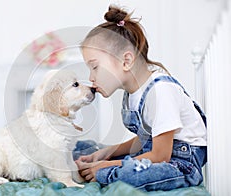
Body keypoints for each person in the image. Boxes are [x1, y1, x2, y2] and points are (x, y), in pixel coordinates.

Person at [74, 5, 207, 191]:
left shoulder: (160, 91)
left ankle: (104, 175)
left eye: (94, 67)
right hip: (156, 153)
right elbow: (146, 140)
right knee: (86, 149)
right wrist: (107, 153)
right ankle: (98, 163)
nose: (91, 78)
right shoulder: (132, 93)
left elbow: (161, 155)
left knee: (127, 174)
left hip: (180, 163)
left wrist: (108, 165)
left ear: (126, 61)